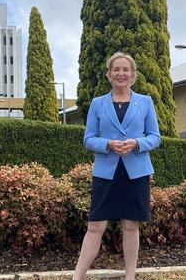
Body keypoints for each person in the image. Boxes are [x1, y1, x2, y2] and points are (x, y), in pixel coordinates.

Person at [72, 52, 161, 280]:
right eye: (116, 70)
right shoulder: (97, 103)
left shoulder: (146, 102)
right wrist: (108, 144)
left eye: (125, 70)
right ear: (108, 75)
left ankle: (130, 276)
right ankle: (78, 276)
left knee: (131, 225)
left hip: (136, 172)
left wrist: (137, 143)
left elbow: (155, 137)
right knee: (95, 226)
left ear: (133, 75)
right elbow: (88, 138)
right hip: (106, 172)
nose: (121, 74)